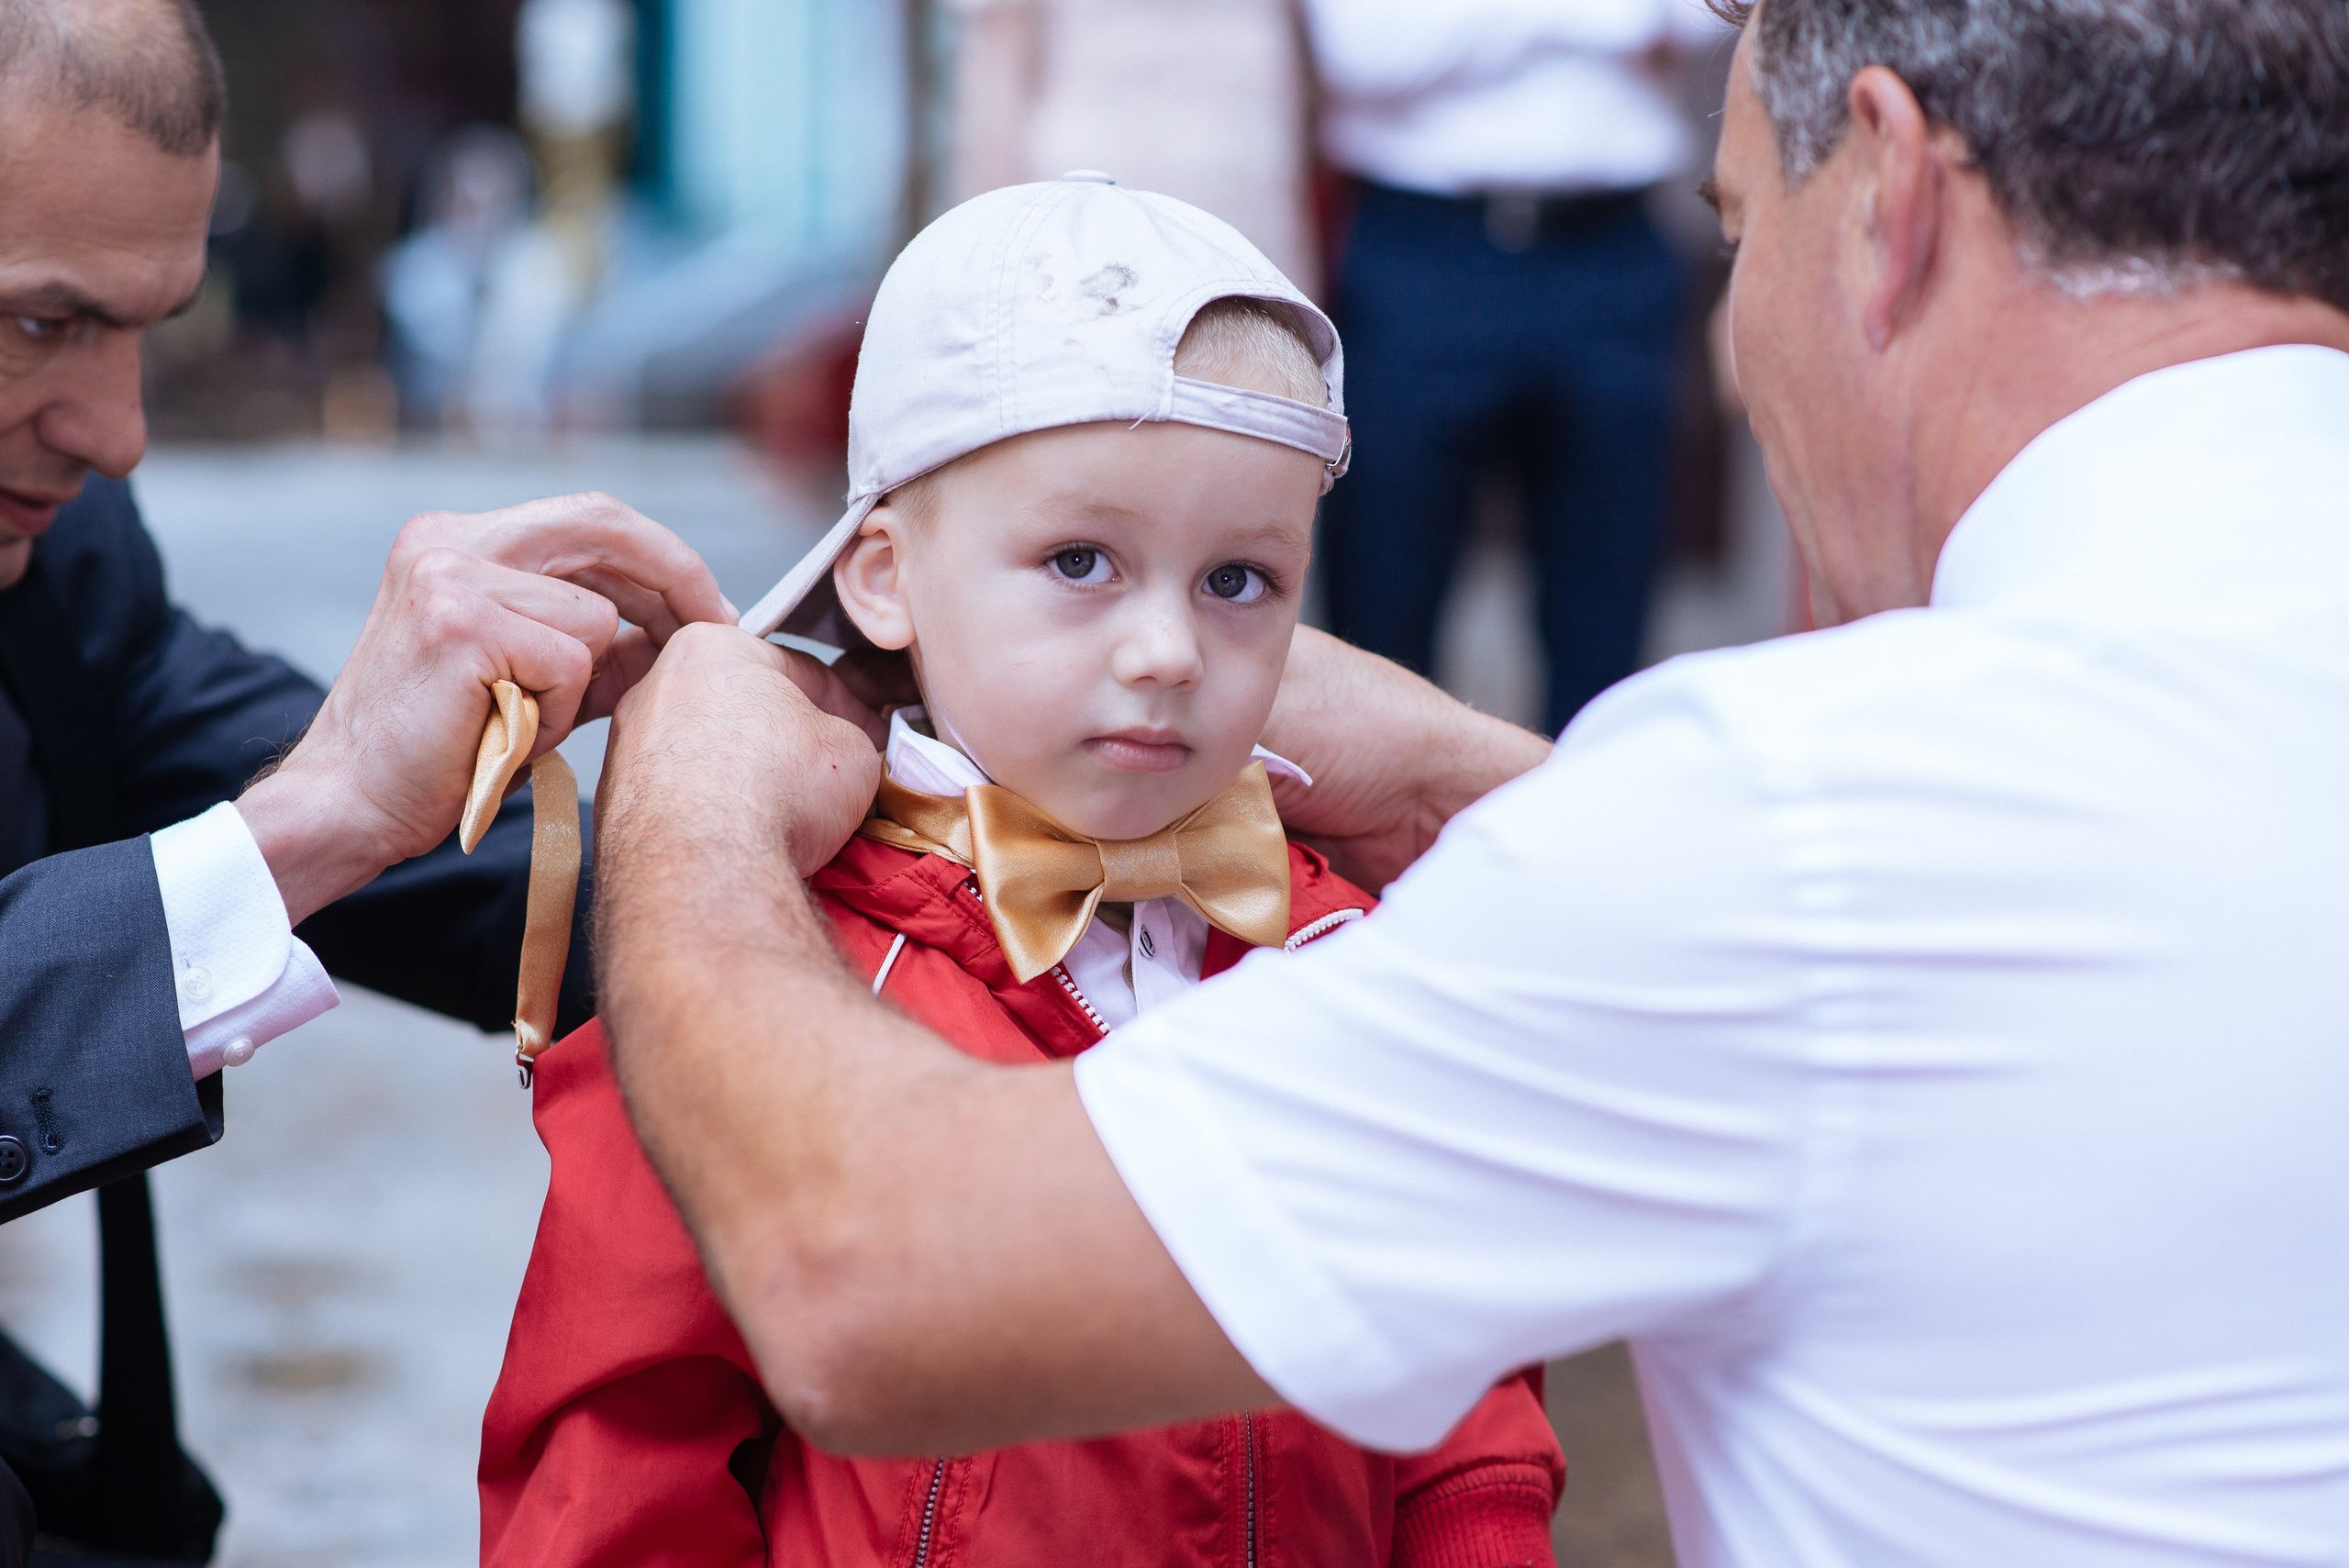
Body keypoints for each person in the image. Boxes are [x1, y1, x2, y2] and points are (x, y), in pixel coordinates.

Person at [584, 1, 2349, 1564]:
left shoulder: (1771, 836)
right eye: (1079, 565)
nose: (1166, 646)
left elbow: (862, 1282)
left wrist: (689, 802)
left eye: (1734, 229)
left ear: (1884, 199)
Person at [478, 178, 1565, 1567]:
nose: (1169, 649)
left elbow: (1461, 1394)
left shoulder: (1346, 960)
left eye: (1241, 579)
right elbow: (615, 1457)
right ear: (883, 576)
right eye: (1080, 559)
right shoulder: (760, 987)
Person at [0, 0, 729, 1557]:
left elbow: (353, 801)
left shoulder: (60, 549)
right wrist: (308, 822)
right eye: (40, 322)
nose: (116, 432)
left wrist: (876, 878)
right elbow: (320, 803)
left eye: (146, 326)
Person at [1307, 0, 1725, 733]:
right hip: (1421, 245)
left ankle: (1587, 833)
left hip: (1612, 245)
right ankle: (1373, 848)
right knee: (1380, 609)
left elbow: (1707, 16)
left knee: (1608, 622)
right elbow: (1366, 49)